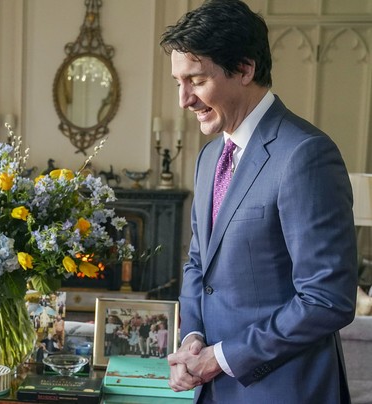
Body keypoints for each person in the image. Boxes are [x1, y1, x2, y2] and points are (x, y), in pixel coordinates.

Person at [160, 1, 358, 402]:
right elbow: (199, 264)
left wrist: (221, 357)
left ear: (245, 69)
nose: (184, 100)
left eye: (196, 81)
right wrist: (193, 339)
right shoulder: (210, 157)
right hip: (212, 390)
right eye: (178, 82)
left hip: (283, 391)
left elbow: (326, 300)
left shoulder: (306, 155)